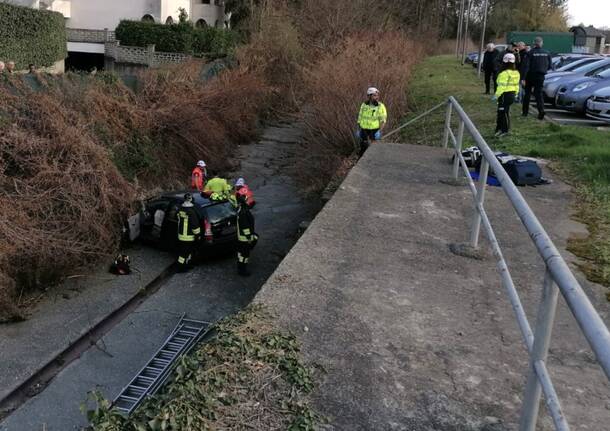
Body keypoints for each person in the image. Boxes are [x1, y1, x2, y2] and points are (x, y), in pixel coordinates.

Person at [521, 37, 552, 120]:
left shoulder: (530, 53)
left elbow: (526, 66)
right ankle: (541, 111)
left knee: (527, 94)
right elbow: (550, 66)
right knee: (539, 94)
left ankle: (525, 112)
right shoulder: (547, 53)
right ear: (541, 43)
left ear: (534, 43)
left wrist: (523, 78)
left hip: (530, 76)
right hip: (541, 76)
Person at [494, 53, 520, 137]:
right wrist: (516, 94)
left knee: (503, 112)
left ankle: (504, 130)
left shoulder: (504, 74)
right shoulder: (516, 73)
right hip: (511, 95)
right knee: (503, 111)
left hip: (504, 95)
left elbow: (502, 86)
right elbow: (516, 85)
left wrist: (496, 95)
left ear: (504, 62)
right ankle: (499, 129)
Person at [357, 87, 387, 157]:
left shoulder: (381, 106)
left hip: (374, 130)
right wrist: (358, 129)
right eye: (374, 95)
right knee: (363, 147)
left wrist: (379, 131)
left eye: (377, 95)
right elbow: (360, 117)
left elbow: (383, 121)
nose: (377, 97)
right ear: (369, 96)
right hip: (363, 129)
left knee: (374, 149)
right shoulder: (364, 105)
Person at [235, 188, 258, 276]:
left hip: (241, 238)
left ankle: (241, 267)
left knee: (242, 254)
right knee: (244, 255)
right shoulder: (243, 212)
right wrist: (249, 237)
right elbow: (245, 227)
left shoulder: (240, 210)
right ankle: (242, 270)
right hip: (244, 239)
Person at [176, 193, 201, 272]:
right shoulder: (191, 211)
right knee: (184, 253)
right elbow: (195, 225)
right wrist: (198, 235)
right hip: (189, 236)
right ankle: (180, 268)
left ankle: (185, 265)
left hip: (181, 235)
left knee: (184, 252)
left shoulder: (180, 209)